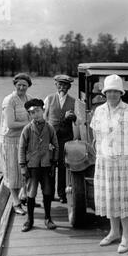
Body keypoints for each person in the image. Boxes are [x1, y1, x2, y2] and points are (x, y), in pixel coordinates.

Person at [90, 74, 128, 254]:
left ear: (121, 92)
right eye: (109, 91)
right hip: (105, 161)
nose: (112, 94)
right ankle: (113, 232)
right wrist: (100, 151)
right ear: (104, 93)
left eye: (115, 91)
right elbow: (95, 135)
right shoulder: (99, 111)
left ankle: (126, 236)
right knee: (110, 196)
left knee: (123, 199)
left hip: (124, 162)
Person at [18, 99, 59, 232]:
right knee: (31, 192)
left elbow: (56, 146)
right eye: (32, 113)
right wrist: (23, 166)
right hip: (32, 167)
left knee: (47, 191)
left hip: (46, 165)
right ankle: (30, 220)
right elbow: (21, 148)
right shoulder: (27, 129)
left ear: (43, 111)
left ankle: (48, 218)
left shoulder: (49, 128)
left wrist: (54, 162)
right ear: (30, 115)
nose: (36, 114)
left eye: (38, 111)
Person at [0, 73, 33, 215]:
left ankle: (24, 195)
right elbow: (11, 124)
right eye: (19, 84)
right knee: (13, 172)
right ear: (15, 85)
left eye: (24, 85)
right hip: (10, 140)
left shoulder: (29, 99)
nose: (21, 87)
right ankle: (16, 203)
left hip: (25, 139)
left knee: (26, 169)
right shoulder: (9, 100)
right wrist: (30, 123)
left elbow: (36, 114)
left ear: (28, 86)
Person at [44, 74, 76, 203]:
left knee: (63, 166)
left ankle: (62, 194)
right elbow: (44, 118)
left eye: (65, 85)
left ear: (69, 87)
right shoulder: (49, 98)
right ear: (56, 85)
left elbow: (78, 121)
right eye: (60, 84)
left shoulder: (74, 101)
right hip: (51, 138)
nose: (62, 87)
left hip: (66, 138)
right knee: (50, 165)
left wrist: (72, 117)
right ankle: (49, 194)